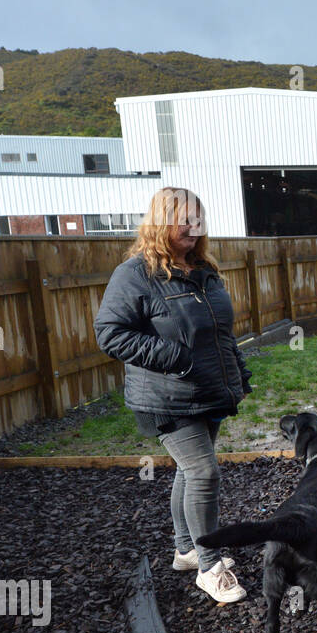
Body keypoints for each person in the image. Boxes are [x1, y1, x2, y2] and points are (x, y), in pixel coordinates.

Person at [94, 187, 252, 603]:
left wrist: (237, 372)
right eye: (183, 218)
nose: (192, 226)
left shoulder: (204, 269)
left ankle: (186, 550)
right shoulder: (135, 274)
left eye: (197, 218)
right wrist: (174, 358)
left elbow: (219, 330)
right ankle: (210, 565)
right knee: (204, 472)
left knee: (189, 471)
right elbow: (110, 335)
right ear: (161, 221)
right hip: (166, 396)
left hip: (209, 391)